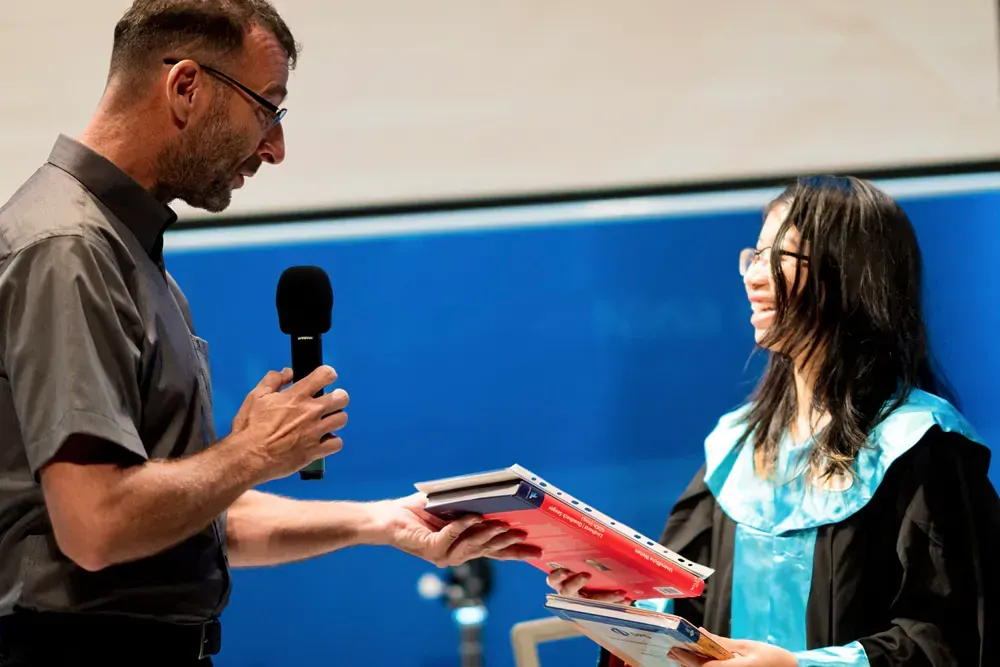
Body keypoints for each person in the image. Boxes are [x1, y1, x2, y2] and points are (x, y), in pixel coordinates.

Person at [0, 2, 539, 665]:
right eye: (268, 108)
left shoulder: (133, 262)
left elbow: (187, 513)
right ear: (186, 86)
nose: (275, 148)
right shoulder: (67, 247)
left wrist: (381, 521)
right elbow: (96, 524)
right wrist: (250, 451)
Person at [548, 175, 1000, 666]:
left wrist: (799, 666)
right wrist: (622, 609)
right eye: (755, 256)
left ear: (849, 274)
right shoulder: (737, 447)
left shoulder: (918, 443)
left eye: (780, 258)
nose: (754, 276)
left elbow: (951, 638)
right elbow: (686, 610)